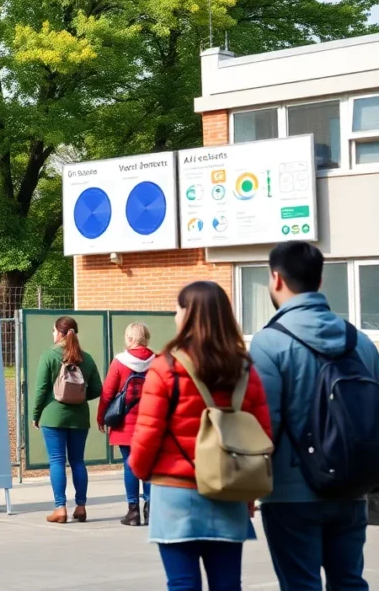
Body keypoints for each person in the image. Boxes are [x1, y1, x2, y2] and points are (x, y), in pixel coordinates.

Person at [249, 241, 379, 591]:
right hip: (353, 487)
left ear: (276, 279)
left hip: (292, 492)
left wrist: (250, 485)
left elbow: (265, 424)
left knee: (300, 584)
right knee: (349, 581)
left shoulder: (268, 343)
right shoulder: (361, 342)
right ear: (320, 282)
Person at [129, 281, 272, 591]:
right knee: (227, 584)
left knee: (182, 583)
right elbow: (263, 433)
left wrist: (141, 472)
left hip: (175, 489)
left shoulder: (166, 366)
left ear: (189, 314)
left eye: (179, 308)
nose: (175, 315)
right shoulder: (244, 369)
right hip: (230, 487)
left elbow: (148, 431)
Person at [32, 316, 103, 524]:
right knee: (78, 461)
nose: (53, 334)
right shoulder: (86, 358)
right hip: (79, 417)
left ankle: (60, 508)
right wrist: (80, 396)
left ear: (60, 333)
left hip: (52, 416)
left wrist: (36, 414)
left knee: (57, 461)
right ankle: (81, 507)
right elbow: (97, 388)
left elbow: (41, 389)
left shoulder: (49, 356)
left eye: (54, 331)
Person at [98, 322, 154, 526]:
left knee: (130, 464)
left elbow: (107, 393)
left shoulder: (120, 362)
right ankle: (151, 509)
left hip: (126, 423)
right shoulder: (157, 361)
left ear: (130, 339)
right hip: (150, 422)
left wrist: (101, 416)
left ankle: (133, 512)